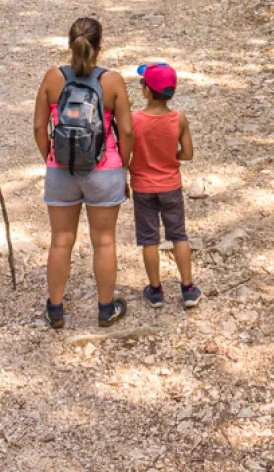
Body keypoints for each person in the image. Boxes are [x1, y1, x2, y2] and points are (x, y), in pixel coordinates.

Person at [34, 17, 133, 330]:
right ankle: (106, 309)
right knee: (104, 241)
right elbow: (127, 130)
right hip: (104, 171)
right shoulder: (113, 81)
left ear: (68, 43)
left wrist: (50, 157)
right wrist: (124, 166)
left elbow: (39, 126)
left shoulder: (52, 78)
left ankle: (56, 310)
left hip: (61, 170)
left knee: (61, 240)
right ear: (100, 44)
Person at [130, 63, 202, 309]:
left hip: (142, 186)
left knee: (149, 239)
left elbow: (126, 152)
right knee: (178, 235)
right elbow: (188, 153)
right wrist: (172, 156)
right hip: (170, 185)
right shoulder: (179, 118)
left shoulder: (134, 119)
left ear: (147, 91)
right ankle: (188, 288)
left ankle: (156, 290)